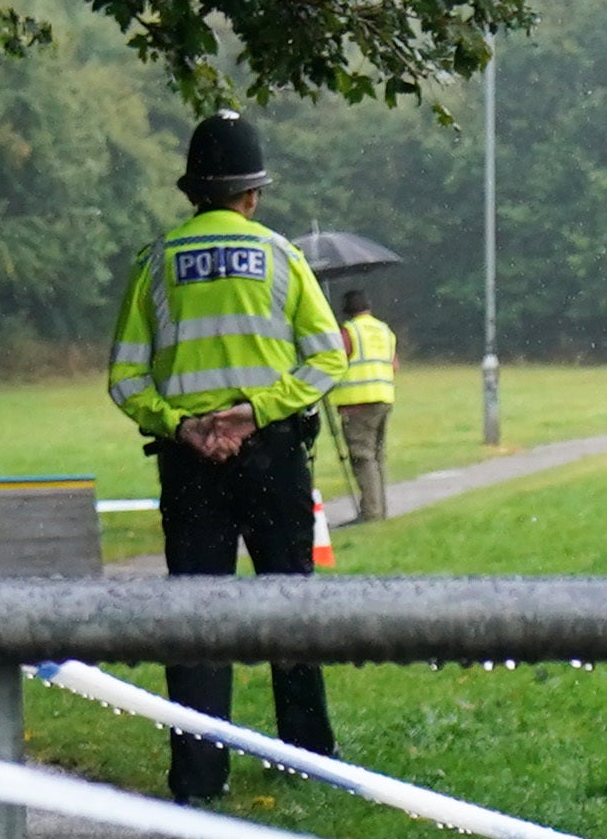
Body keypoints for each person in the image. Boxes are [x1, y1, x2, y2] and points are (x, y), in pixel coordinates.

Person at [103, 111, 354, 803]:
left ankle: (198, 773)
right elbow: (328, 356)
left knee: (196, 618)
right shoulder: (281, 257)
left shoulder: (154, 263)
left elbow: (125, 379)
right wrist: (254, 412)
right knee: (289, 607)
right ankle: (308, 754)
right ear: (253, 194)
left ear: (191, 193)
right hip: (272, 456)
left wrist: (184, 427)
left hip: (188, 467)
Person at [335, 285, 401, 523]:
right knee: (377, 457)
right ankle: (379, 509)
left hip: (357, 403)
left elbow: (333, 362)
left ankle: (371, 513)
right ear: (368, 307)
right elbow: (394, 365)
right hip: (383, 398)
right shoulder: (384, 330)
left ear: (345, 311)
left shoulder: (348, 332)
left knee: (362, 458)